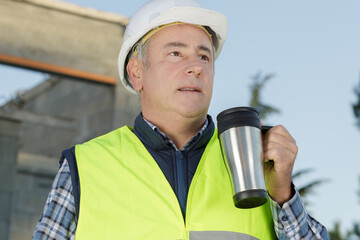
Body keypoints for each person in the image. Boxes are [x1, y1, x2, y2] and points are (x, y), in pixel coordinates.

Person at [33, 0, 329, 239]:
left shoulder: (254, 162)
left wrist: (282, 193)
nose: (196, 68)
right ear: (137, 73)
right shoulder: (84, 168)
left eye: (204, 57)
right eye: (176, 53)